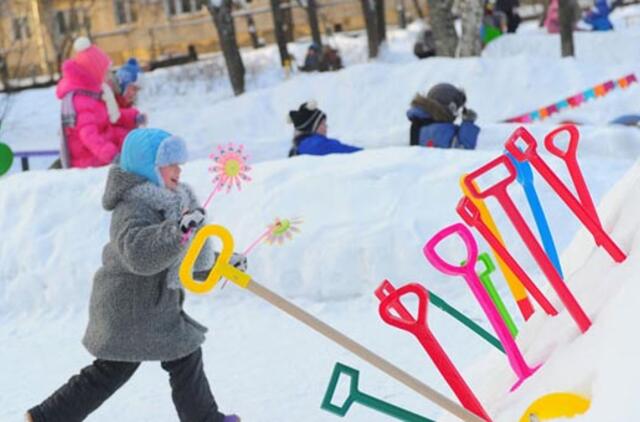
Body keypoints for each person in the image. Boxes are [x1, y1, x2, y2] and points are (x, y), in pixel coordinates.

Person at [27, 128, 244, 422]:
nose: (179, 170)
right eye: (170, 163)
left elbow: (187, 258)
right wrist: (178, 230)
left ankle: (45, 418)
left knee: (175, 358)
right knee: (118, 370)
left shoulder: (177, 203)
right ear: (148, 167)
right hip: (127, 307)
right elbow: (139, 254)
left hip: (153, 307)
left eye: (179, 163)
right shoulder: (132, 207)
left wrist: (221, 263)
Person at [56, 37, 144, 168]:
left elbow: (109, 117)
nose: (108, 77)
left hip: (98, 148)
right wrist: (113, 156)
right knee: (129, 145)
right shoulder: (81, 100)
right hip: (88, 158)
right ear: (94, 71)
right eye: (105, 72)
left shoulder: (93, 94)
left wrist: (133, 117)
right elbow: (89, 136)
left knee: (130, 138)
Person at [406, 83, 480, 149]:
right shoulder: (437, 130)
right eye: (456, 109)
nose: (457, 115)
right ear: (449, 107)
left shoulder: (422, 122)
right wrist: (468, 122)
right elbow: (463, 148)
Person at [288, 101, 362, 157]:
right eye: (323, 124)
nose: (326, 127)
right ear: (313, 126)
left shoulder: (298, 146)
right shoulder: (317, 145)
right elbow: (352, 153)